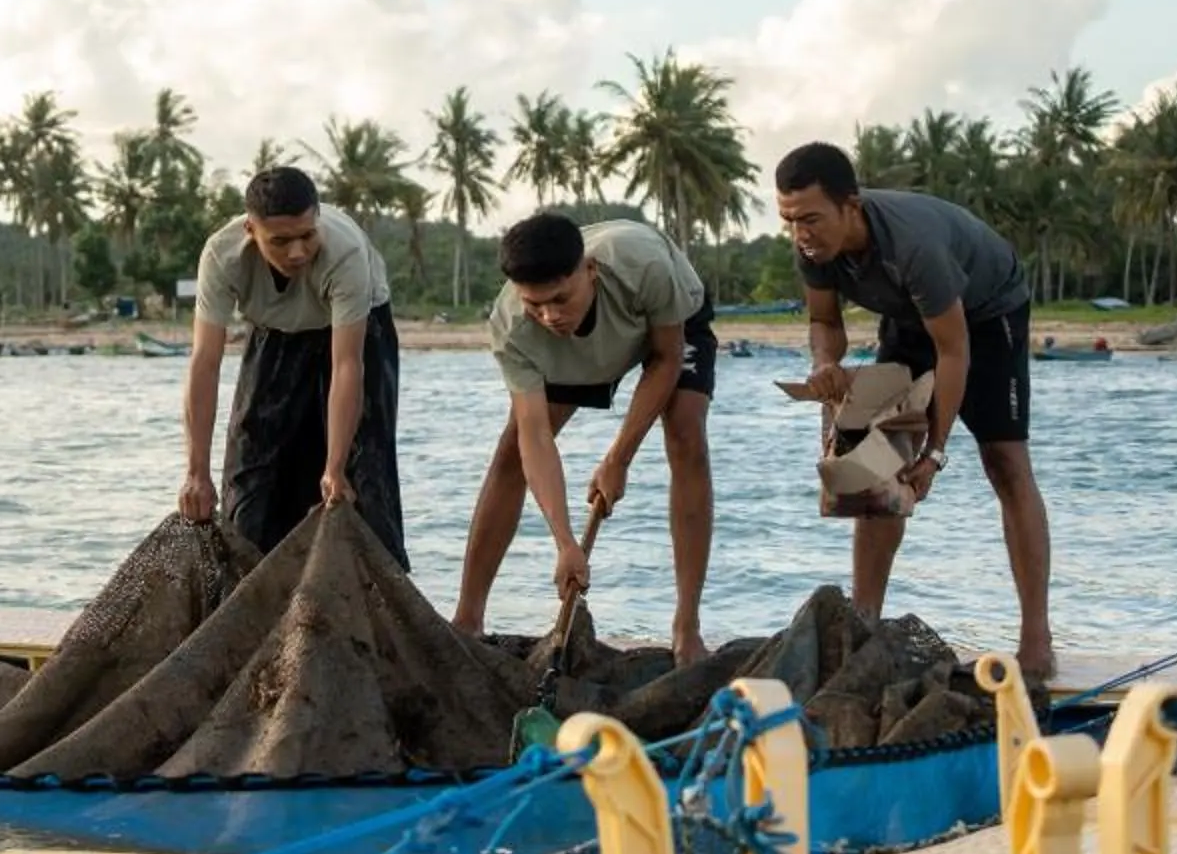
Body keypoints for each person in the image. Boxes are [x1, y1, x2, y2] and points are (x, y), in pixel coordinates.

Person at [772, 140, 1054, 681]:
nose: (800, 234)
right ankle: (863, 627)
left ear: (851, 207)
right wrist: (825, 363)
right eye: (789, 220)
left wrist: (934, 454)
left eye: (810, 219)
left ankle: (1037, 641)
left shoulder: (914, 246)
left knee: (1005, 462)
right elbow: (825, 323)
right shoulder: (811, 249)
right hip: (908, 319)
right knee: (876, 468)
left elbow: (954, 351)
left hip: (986, 314)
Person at [451, 210, 717, 663]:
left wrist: (618, 459)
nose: (550, 316)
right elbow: (535, 438)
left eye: (560, 298)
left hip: (665, 322)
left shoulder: (645, 265)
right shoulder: (514, 327)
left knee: (686, 434)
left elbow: (665, 359)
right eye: (535, 304)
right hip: (584, 351)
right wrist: (566, 543)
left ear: (590, 270)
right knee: (511, 451)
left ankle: (686, 628)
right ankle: (467, 618)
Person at [175, 166, 406, 565]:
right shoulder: (221, 255)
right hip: (274, 331)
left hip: (357, 333)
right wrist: (196, 472)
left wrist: (335, 468)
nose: (297, 252)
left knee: (361, 475)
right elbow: (205, 363)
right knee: (253, 473)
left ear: (317, 219)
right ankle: (256, 588)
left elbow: (347, 365)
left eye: (307, 236)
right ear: (251, 230)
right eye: (280, 241)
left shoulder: (346, 252)